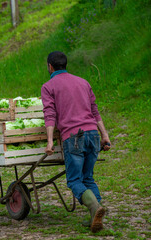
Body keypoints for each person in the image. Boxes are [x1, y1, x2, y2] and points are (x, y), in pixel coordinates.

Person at [41, 51, 111, 233]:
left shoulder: (48, 86)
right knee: (88, 177)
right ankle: (96, 214)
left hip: (75, 137)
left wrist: (49, 142)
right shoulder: (83, 82)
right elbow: (94, 111)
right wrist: (105, 135)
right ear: (66, 64)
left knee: (74, 180)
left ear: (50, 66)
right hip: (93, 135)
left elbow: (50, 115)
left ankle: (95, 208)